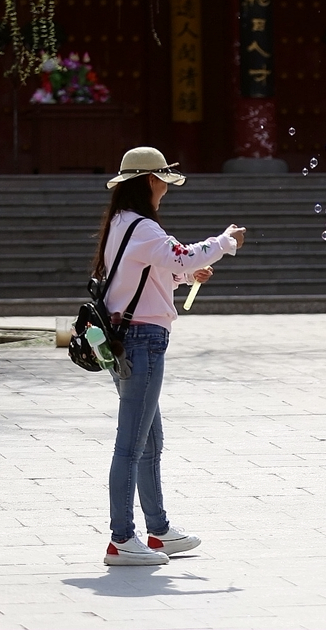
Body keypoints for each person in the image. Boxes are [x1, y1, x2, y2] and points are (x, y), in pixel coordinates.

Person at [95, 146, 247, 566]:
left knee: (150, 440)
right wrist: (224, 242)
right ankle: (121, 538)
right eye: (162, 180)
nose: (165, 188)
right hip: (142, 340)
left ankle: (158, 529)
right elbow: (179, 255)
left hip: (129, 337)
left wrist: (184, 275)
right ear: (149, 181)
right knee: (132, 444)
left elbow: (157, 270)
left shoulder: (122, 224)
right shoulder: (142, 227)